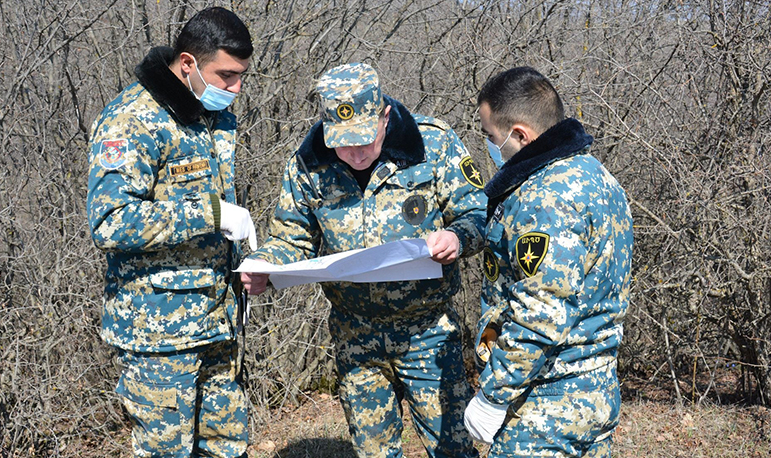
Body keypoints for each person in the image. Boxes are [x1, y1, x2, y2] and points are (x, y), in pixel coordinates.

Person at [243, 62, 486, 458]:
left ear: (384, 117)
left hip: (428, 331)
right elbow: (292, 238)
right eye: (342, 142)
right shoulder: (307, 165)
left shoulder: (434, 144)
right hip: (356, 335)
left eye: (363, 139)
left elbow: (478, 214)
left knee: (454, 449)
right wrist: (265, 268)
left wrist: (457, 237)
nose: (354, 153)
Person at [86, 7, 257, 458]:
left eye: (241, 77)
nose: (236, 89)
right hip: (159, 336)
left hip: (218, 322)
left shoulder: (212, 116)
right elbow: (110, 221)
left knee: (227, 448)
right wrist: (211, 213)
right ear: (187, 64)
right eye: (226, 76)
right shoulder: (132, 119)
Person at [463, 66, 634, 457]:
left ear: (520, 134)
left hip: (545, 409)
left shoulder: (545, 199)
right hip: (595, 392)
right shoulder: (597, 177)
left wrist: (493, 395)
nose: (490, 146)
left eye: (491, 136)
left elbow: (539, 313)